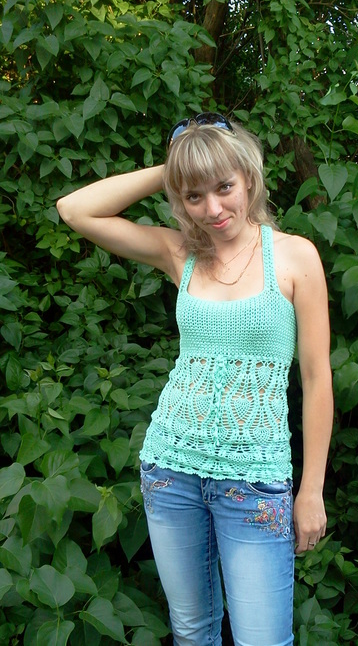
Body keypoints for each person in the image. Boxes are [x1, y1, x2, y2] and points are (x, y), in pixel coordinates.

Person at [57, 113, 333, 646]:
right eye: (193, 196)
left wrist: (311, 490)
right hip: (171, 470)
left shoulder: (295, 256)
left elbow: (318, 378)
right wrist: (177, 167)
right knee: (191, 630)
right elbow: (75, 209)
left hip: (255, 480)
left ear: (248, 177)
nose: (213, 209)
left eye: (224, 186)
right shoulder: (179, 252)